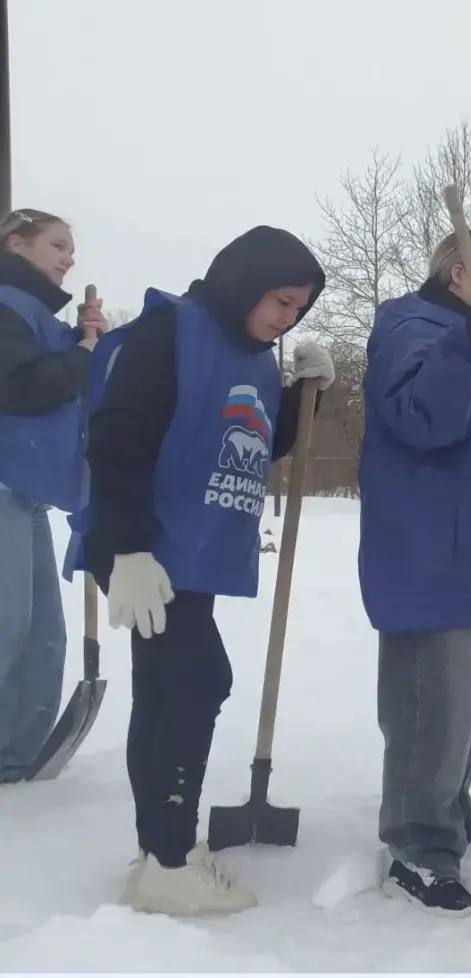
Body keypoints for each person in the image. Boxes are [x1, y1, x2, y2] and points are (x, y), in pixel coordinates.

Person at [78, 226, 331, 915]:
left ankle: (160, 853)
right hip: (146, 546)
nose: (287, 319)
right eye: (281, 301)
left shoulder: (253, 357)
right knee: (195, 681)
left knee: (167, 689)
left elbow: (253, 442)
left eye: (299, 309)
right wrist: (127, 549)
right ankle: (168, 861)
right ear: (245, 283)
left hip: (185, 549)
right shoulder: (171, 333)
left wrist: (304, 396)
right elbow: (117, 438)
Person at [358, 229, 471, 917]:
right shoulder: (410, 326)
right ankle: (417, 844)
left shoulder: (462, 341)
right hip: (429, 554)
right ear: (459, 274)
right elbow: (421, 419)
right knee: (432, 708)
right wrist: (467, 346)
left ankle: (448, 812)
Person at [0, 209, 103, 783]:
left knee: (41, 634)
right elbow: (18, 386)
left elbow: (65, 377)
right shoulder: (4, 305)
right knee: (7, 626)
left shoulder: (36, 315)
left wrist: (88, 341)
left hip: (26, 491)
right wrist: (81, 354)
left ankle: (13, 757)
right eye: (57, 245)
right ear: (16, 244)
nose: (69, 257)